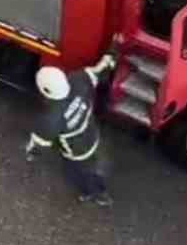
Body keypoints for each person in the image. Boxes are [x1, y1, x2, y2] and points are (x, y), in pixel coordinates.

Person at [24, 52, 117, 206]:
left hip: (76, 153)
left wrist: (31, 153)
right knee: (95, 168)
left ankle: (92, 194)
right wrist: (109, 57)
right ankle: (101, 192)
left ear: (46, 92)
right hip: (92, 135)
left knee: (79, 174)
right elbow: (98, 71)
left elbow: (39, 144)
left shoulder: (49, 120)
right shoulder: (78, 80)